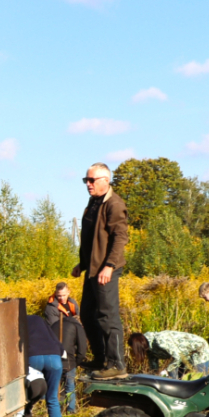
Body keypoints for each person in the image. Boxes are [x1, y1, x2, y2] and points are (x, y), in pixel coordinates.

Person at [71, 162, 130, 379]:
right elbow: (91, 239)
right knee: (87, 313)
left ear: (106, 180)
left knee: (108, 316)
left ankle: (116, 364)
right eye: (86, 180)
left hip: (107, 270)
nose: (88, 184)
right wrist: (83, 264)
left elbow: (120, 237)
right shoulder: (94, 202)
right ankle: (100, 357)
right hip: (93, 269)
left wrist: (109, 265)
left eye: (92, 180)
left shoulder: (114, 204)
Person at [42, 283, 88, 414]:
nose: (61, 298)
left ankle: (70, 410)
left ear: (68, 292)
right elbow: (55, 328)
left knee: (69, 383)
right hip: (57, 350)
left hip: (71, 350)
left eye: (63, 295)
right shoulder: (51, 308)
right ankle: (56, 410)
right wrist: (74, 322)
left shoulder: (73, 303)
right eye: (58, 296)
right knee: (57, 383)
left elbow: (79, 321)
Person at [21, 315, 67, 417]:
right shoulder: (43, 326)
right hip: (54, 358)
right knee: (52, 397)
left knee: (25, 395)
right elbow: (62, 351)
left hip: (33, 357)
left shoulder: (22, 325)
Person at [128, 331, 209, 377]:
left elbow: (177, 357)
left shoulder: (160, 340)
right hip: (184, 354)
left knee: (199, 379)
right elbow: (154, 368)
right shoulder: (149, 348)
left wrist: (166, 371)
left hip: (198, 349)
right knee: (175, 377)